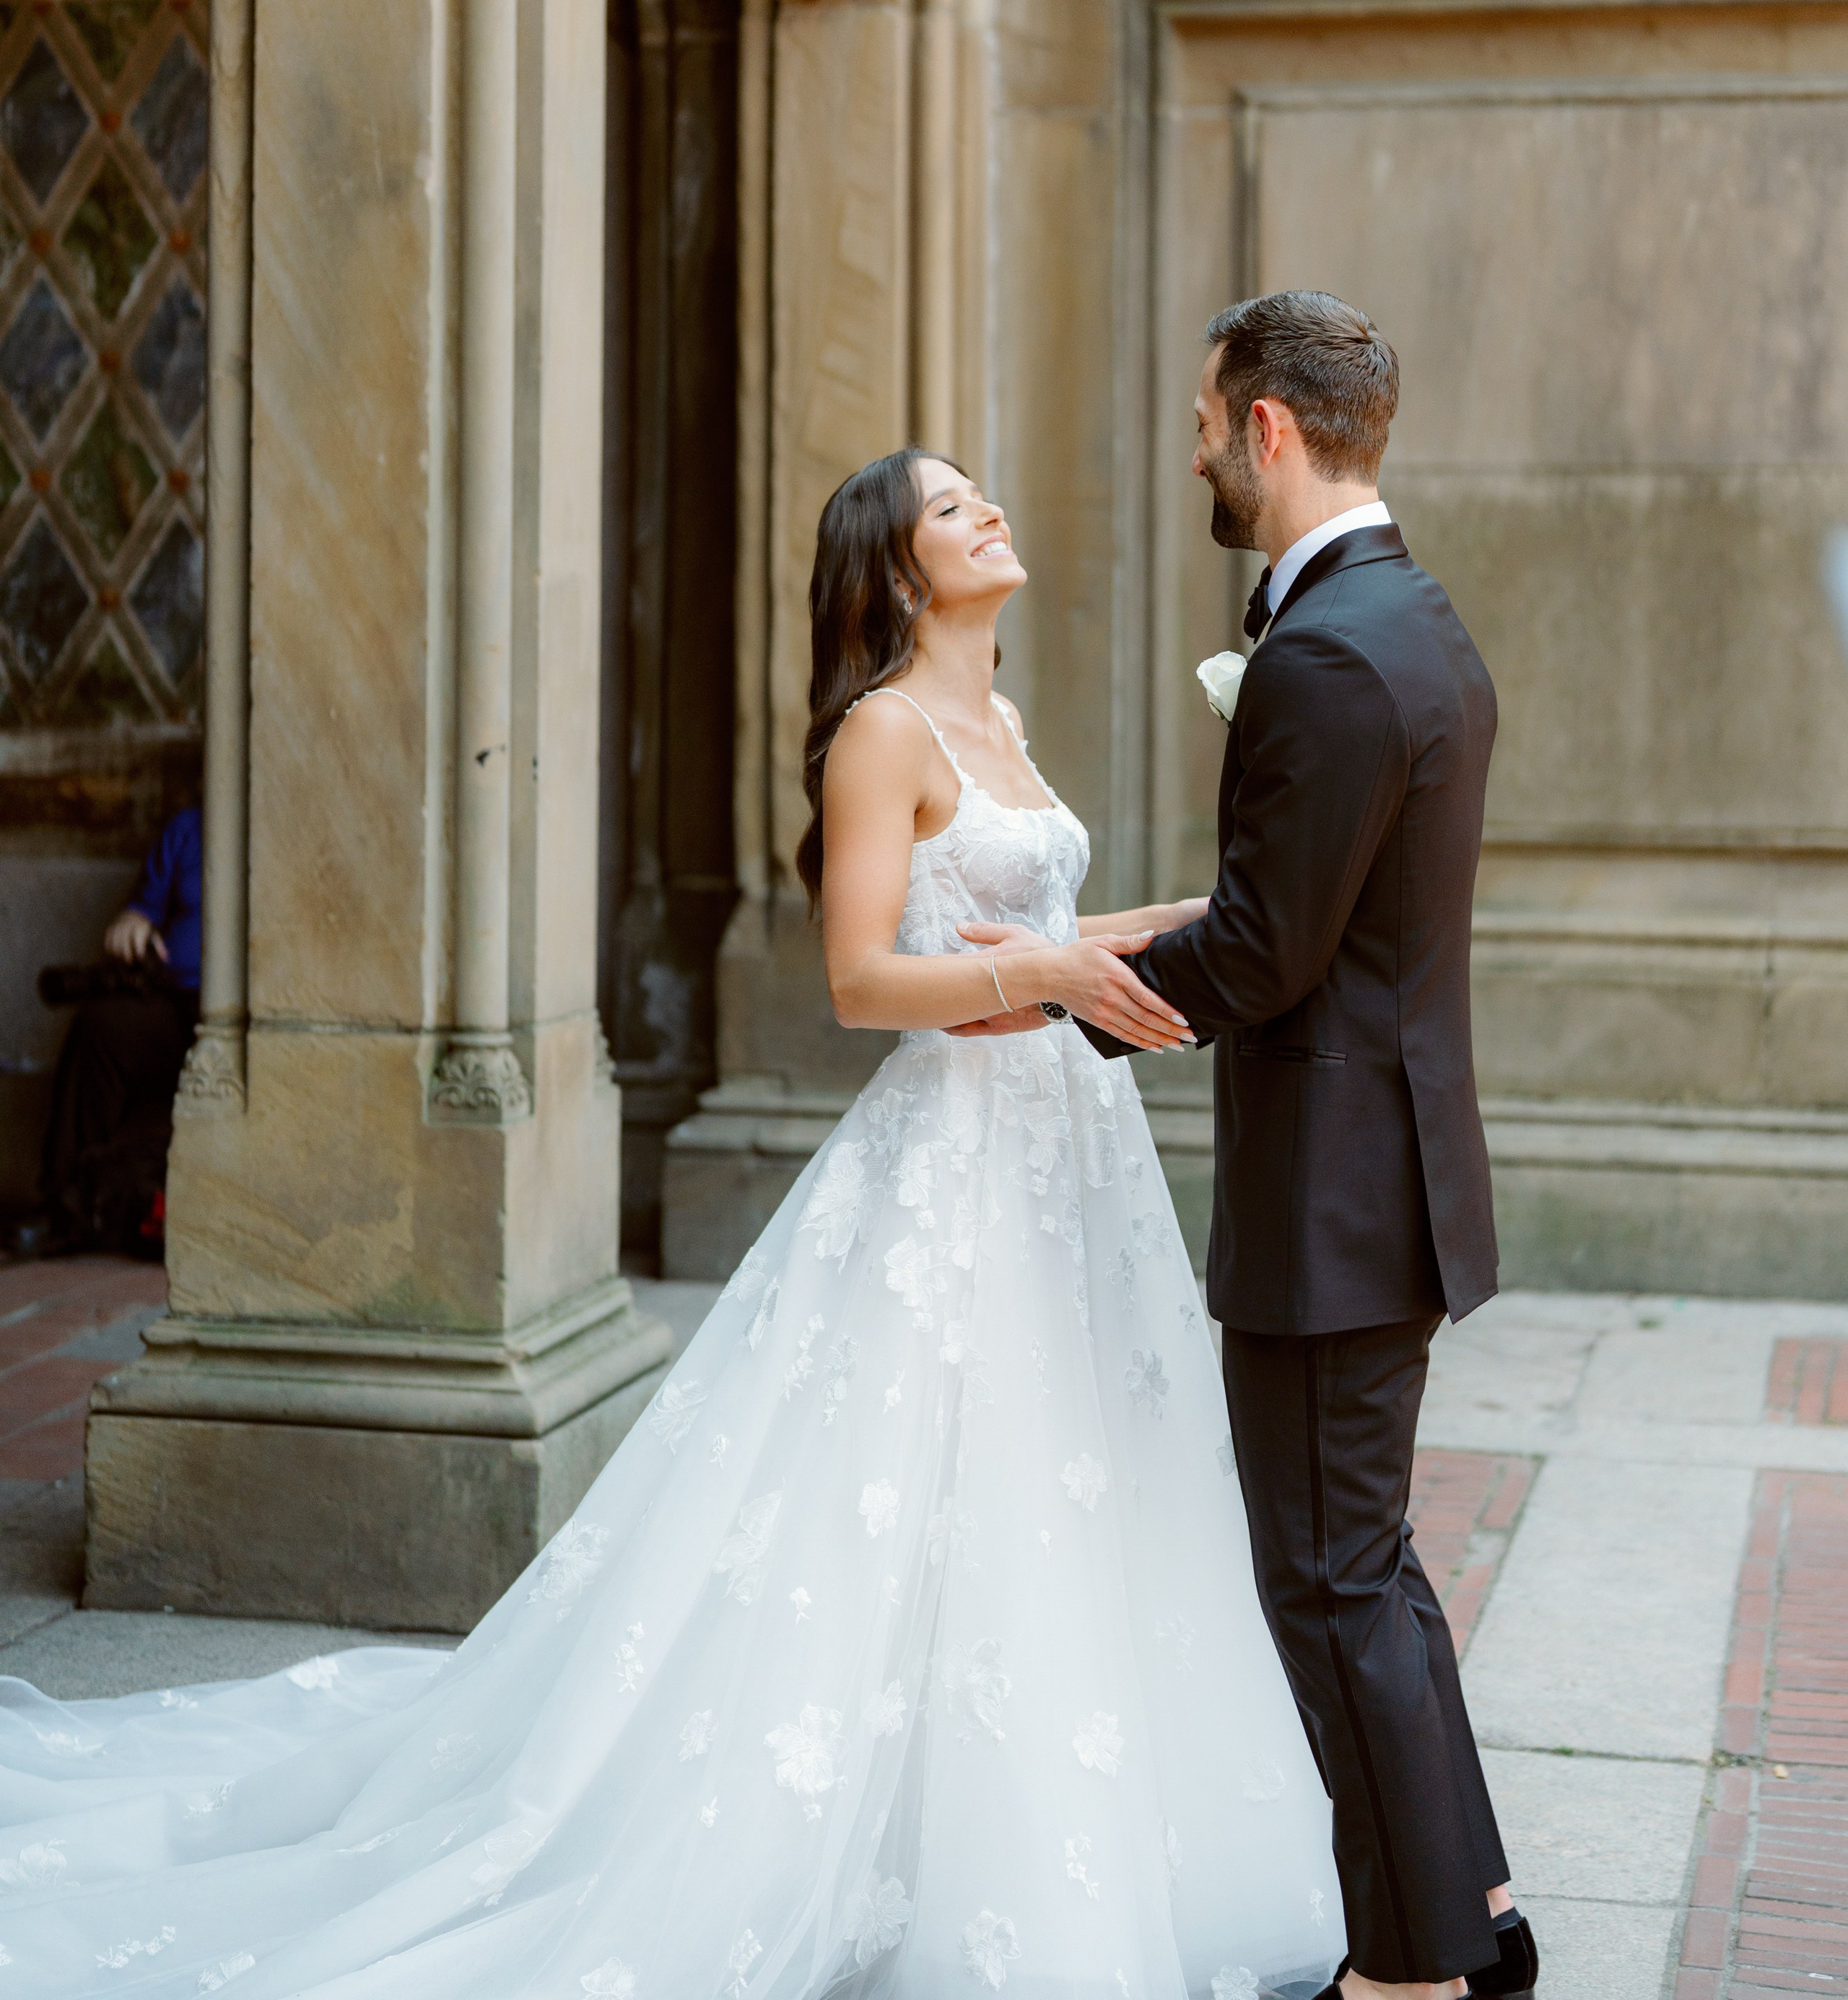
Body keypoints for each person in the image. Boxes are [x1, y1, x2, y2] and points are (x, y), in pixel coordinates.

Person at [0, 453, 1346, 1998]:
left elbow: (1036, 931)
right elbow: (860, 980)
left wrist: (1182, 930)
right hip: (953, 1155)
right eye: (950, 508)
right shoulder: (881, 733)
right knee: (924, 1472)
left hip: (1064, 1146)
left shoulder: (1006, 721)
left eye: (983, 492)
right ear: (898, 572)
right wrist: (1038, 977)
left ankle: (988, 1827)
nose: (988, 511)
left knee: (1053, 1478)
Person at [989, 292, 1535, 2000]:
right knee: (1366, 1565)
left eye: (1205, 424)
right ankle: (1477, 1914)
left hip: (1331, 1203)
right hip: (1388, 1178)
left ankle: (1408, 1974)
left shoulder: (1323, 651)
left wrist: (1042, 996)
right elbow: (1304, 920)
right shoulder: (1411, 617)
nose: (1197, 456)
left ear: (1268, 426)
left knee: (1324, 1581)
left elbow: (1262, 953)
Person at [16, 805, 201, 1259]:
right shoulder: (189, 827)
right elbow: (140, 912)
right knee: (103, 1026)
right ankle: (60, 1207)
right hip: (169, 997)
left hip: (243, 1014)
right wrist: (131, 925)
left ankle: (111, 1209)